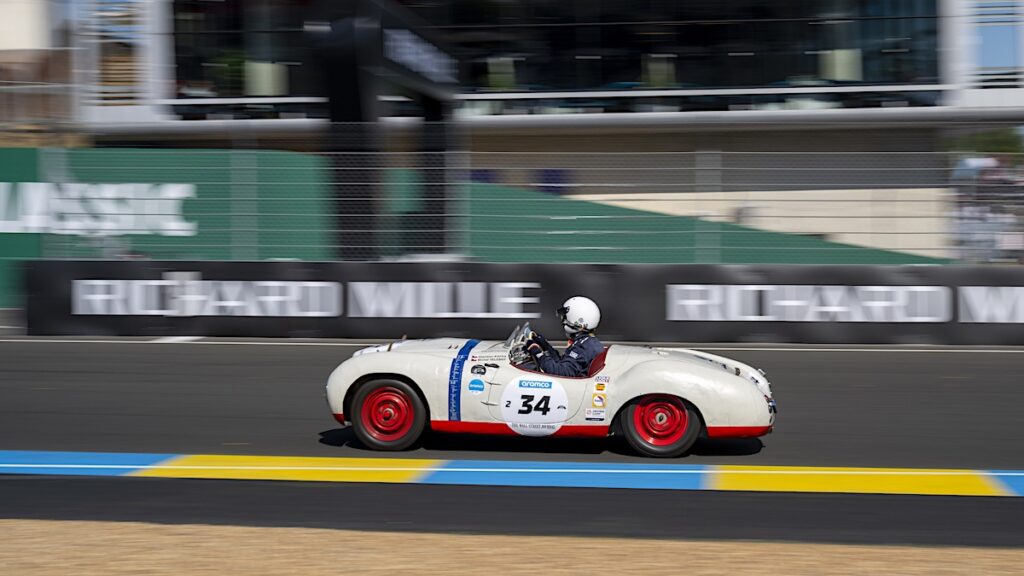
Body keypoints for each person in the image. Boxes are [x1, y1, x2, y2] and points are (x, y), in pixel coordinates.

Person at [525, 296, 604, 377]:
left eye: (565, 318)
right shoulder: (588, 342)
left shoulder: (583, 347)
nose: (563, 321)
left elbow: (561, 372)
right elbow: (562, 363)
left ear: (577, 320)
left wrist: (539, 355)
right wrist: (546, 346)